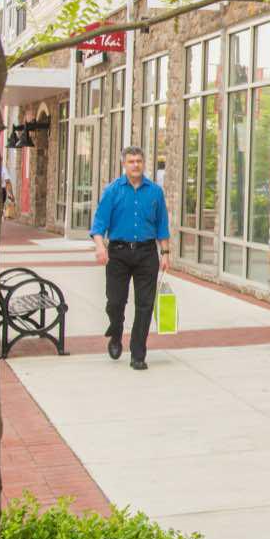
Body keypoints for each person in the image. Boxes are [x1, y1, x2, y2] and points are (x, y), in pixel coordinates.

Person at [90, 145, 171, 370]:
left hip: (147, 253)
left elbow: (162, 226)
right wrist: (100, 246)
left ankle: (138, 354)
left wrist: (165, 253)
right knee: (115, 302)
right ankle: (116, 332)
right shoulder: (112, 191)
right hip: (119, 253)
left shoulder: (155, 192)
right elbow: (99, 224)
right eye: (131, 161)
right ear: (124, 164)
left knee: (145, 305)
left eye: (139, 161)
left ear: (143, 163)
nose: (135, 165)